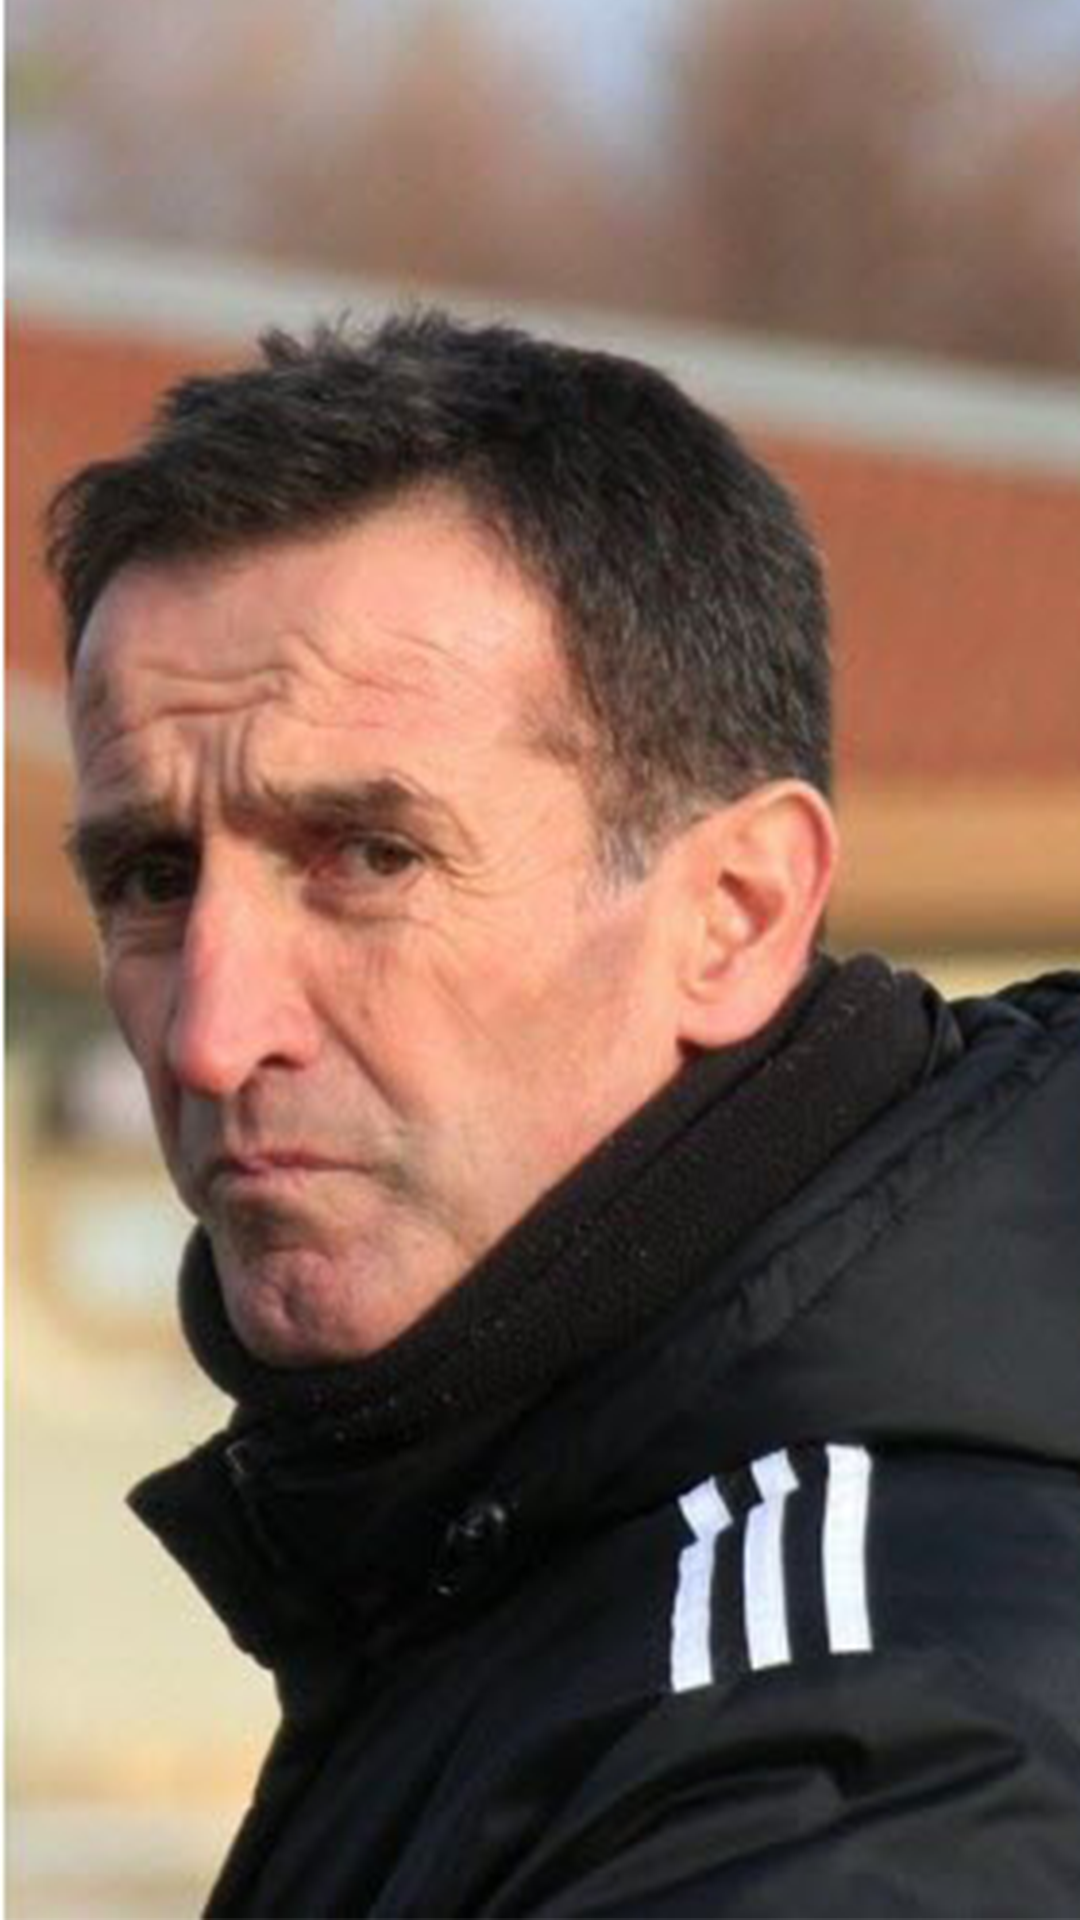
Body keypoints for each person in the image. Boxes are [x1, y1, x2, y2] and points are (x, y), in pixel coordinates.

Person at [53, 311, 1079, 1918]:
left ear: (735, 912)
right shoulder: (511, 1544)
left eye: (370, 858)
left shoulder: (846, 1740)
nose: (207, 1033)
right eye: (150, 877)